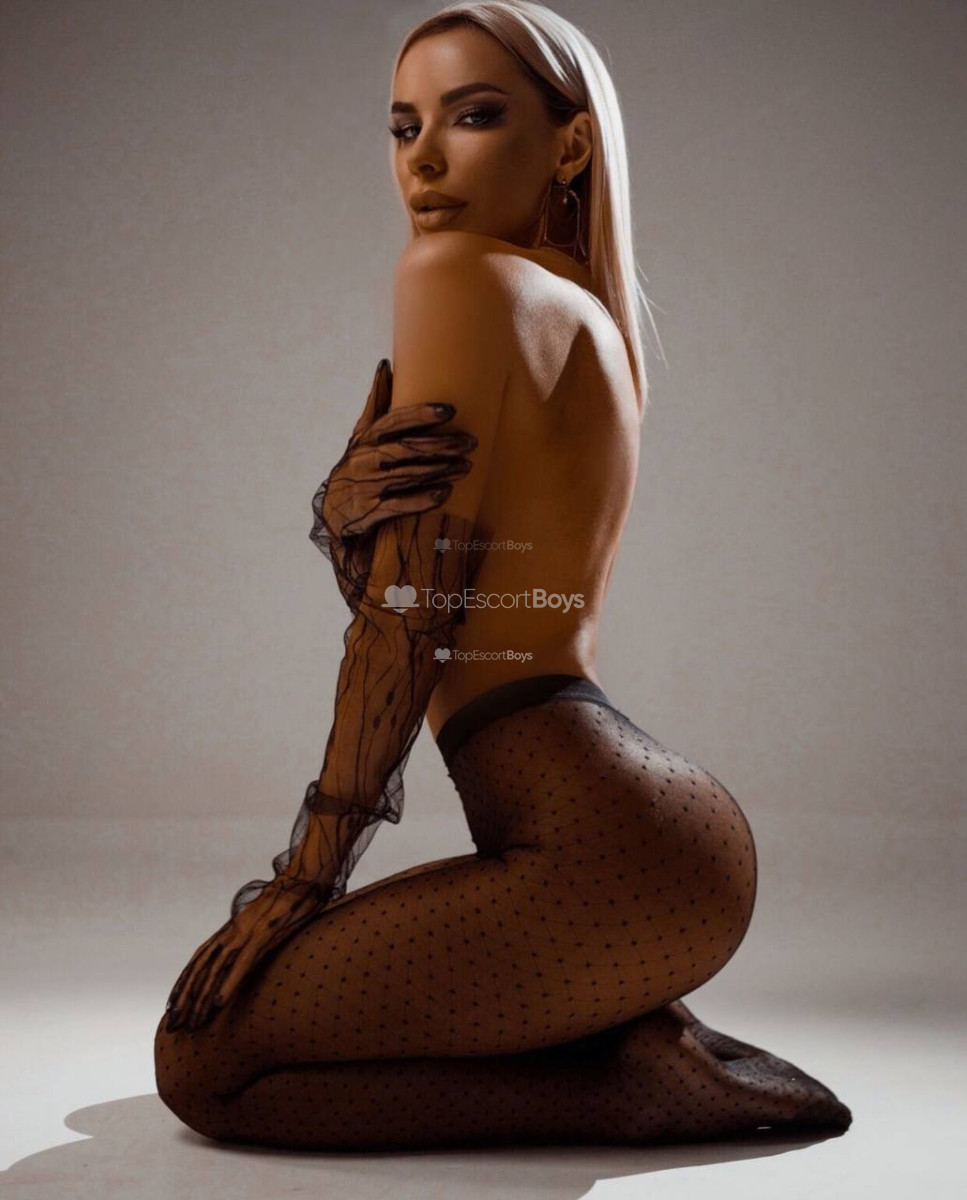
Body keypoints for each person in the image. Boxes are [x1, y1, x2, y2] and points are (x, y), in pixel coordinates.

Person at [154, 0, 852, 1150]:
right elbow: (438, 599)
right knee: (227, 1047)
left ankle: (632, 1082)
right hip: (643, 838)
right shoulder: (568, 304)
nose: (422, 159)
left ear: (568, 144)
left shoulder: (462, 276)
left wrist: (304, 876)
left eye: (472, 116)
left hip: (599, 844)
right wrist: (344, 518)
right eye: (403, 126)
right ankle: (619, 1041)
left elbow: (407, 624)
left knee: (205, 1065)